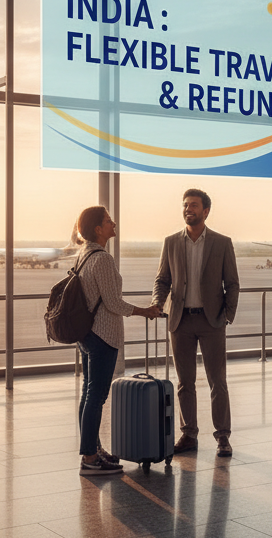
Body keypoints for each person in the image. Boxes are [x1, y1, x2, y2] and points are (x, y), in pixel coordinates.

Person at [74, 205, 163, 476]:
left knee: (88, 394)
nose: (114, 224)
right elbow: (113, 302)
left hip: (87, 334)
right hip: (103, 334)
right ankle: (90, 458)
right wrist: (144, 311)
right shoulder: (102, 259)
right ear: (99, 229)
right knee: (96, 397)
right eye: (109, 221)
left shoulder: (83, 254)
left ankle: (93, 449)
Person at [152, 188, 240, 457]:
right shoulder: (171, 242)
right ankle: (188, 434)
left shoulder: (222, 243)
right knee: (184, 382)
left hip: (212, 321)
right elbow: (162, 279)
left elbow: (232, 283)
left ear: (206, 211)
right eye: (185, 205)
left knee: (218, 382)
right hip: (180, 321)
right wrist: (158, 302)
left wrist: (227, 314)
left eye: (194, 205)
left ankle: (222, 437)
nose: (188, 209)